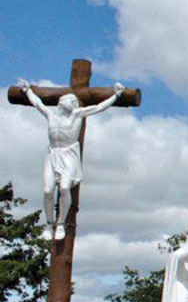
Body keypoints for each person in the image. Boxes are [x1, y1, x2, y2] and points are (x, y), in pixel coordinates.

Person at [17, 79, 125, 240]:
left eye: (73, 101)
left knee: (65, 188)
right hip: (53, 154)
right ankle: (48, 224)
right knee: (47, 190)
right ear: (61, 102)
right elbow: (38, 103)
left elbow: (98, 107)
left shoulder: (77, 115)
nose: (71, 102)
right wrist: (28, 91)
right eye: (69, 100)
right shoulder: (51, 115)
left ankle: (60, 224)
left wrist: (116, 95)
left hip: (68, 154)